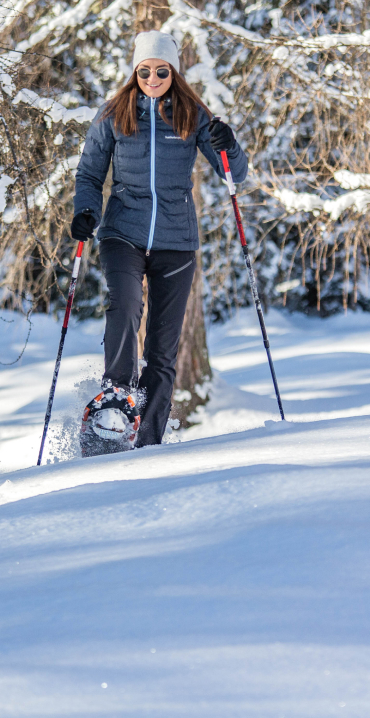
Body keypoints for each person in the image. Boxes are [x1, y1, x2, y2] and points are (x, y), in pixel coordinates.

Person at [72, 32, 248, 448]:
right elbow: (90, 175)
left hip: (176, 241)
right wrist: (86, 213)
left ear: (174, 72)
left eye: (162, 70)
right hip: (122, 233)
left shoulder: (192, 114)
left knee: (163, 348)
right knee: (126, 304)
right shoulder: (114, 113)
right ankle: (115, 395)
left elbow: (232, 175)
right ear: (135, 71)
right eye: (145, 70)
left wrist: (230, 146)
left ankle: (146, 440)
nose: (153, 77)